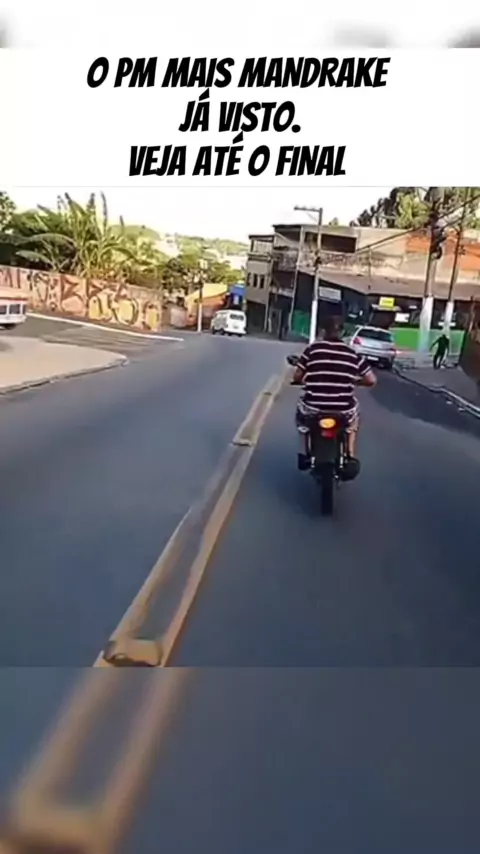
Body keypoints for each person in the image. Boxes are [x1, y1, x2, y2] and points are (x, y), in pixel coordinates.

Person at [292, 315, 377, 471]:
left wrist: (303, 380)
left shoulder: (313, 350)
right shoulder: (352, 354)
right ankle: (350, 454)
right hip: (343, 409)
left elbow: (297, 376)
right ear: (342, 332)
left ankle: (305, 452)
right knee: (353, 421)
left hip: (314, 407)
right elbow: (371, 380)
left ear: (323, 331)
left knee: (302, 420)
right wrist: (356, 382)